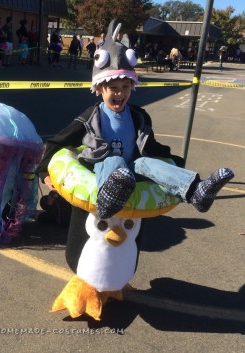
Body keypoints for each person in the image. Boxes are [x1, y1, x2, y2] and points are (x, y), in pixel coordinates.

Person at [36, 19, 234, 220]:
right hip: (103, 169)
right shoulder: (91, 117)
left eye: (126, 87)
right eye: (113, 88)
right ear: (99, 88)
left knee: (146, 162)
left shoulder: (138, 116)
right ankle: (107, 199)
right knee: (114, 159)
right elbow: (58, 141)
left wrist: (173, 162)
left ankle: (195, 192)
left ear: (132, 88)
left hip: (131, 173)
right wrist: (44, 173)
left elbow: (152, 146)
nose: (120, 94)